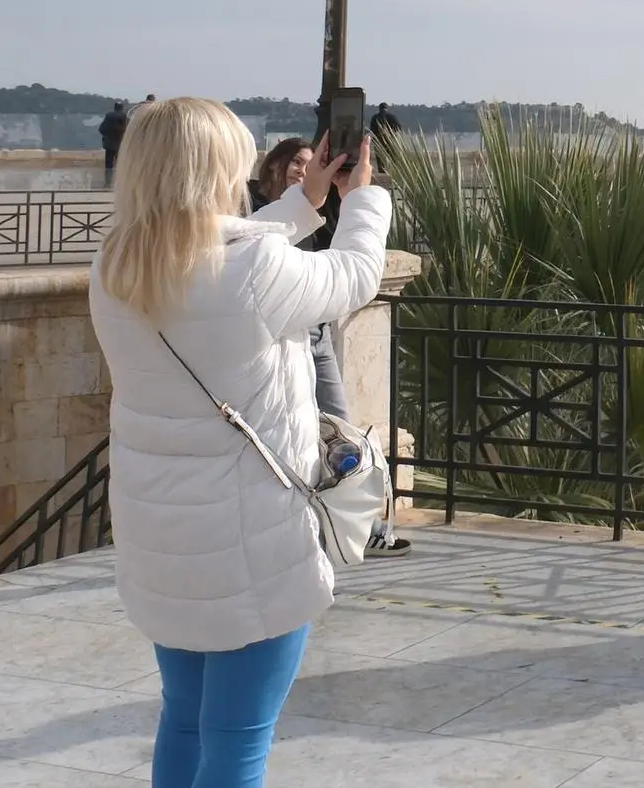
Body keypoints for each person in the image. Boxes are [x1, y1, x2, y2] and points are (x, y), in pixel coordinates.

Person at [90, 98, 391, 788]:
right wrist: (363, 199)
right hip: (251, 543)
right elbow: (352, 277)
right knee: (237, 748)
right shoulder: (252, 268)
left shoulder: (115, 264)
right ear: (216, 168)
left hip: (162, 539)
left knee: (186, 720)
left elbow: (210, 250)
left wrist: (304, 199)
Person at [245, 136, 410, 560]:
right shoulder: (250, 235)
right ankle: (332, 528)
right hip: (286, 336)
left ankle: (358, 525)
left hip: (314, 334)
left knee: (340, 431)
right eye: (296, 163)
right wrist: (361, 196)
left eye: (309, 162)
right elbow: (352, 273)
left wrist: (315, 198)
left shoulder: (124, 266)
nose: (303, 169)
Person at [98, 102, 129, 185]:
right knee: (121, 164)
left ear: (114, 107)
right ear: (122, 108)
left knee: (108, 165)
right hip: (121, 144)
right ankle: (120, 183)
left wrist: (107, 136)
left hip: (109, 144)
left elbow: (101, 129)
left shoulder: (109, 116)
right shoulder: (125, 117)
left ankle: (108, 183)